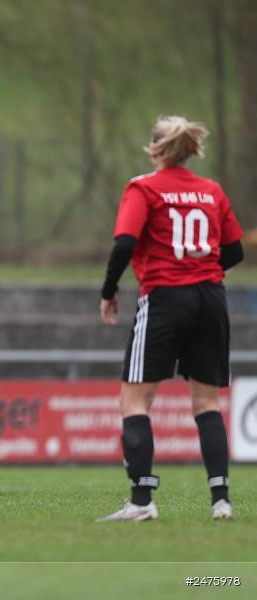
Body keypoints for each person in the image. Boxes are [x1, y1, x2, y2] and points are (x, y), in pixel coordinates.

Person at [98, 116, 244, 522]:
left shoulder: (144, 187)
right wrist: (207, 269)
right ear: (189, 149)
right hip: (211, 298)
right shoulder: (211, 191)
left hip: (165, 298)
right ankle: (221, 500)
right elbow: (233, 252)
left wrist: (109, 291)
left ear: (155, 149)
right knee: (207, 402)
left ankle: (142, 502)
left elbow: (125, 243)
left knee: (134, 401)